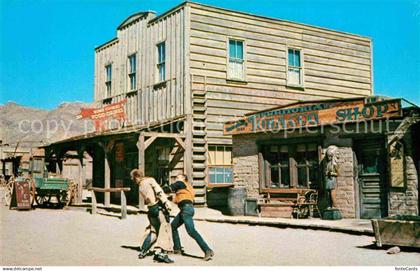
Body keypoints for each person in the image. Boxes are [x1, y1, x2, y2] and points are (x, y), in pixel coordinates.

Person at [163, 174, 214, 261]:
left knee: (191, 231)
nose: (176, 179)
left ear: (184, 178)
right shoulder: (187, 187)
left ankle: (207, 250)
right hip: (186, 209)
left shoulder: (181, 183)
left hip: (186, 209)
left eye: (178, 177)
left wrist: (157, 189)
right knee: (173, 226)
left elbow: (168, 189)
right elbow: (179, 198)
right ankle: (177, 249)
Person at [130, 169, 174, 263]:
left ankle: (143, 250)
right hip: (158, 208)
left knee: (154, 231)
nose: (135, 180)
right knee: (164, 230)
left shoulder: (140, 186)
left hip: (150, 210)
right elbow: (159, 191)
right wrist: (166, 202)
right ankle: (163, 254)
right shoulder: (150, 180)